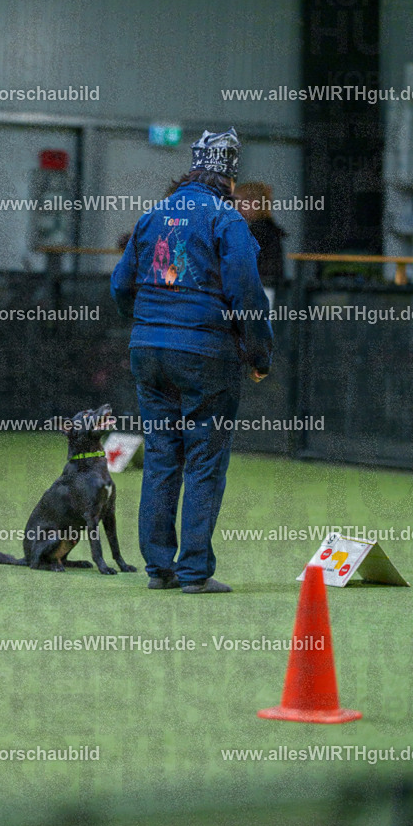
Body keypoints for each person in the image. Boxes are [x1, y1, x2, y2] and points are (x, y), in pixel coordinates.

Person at [110, 127, 273, 593]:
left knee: (162, 455)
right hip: (205, 353)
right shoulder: (227, 219)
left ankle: (159, 567)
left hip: (149, 351)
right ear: (229, 178)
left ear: (193, 168)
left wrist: (144, 325)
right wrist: (259, 353)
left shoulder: (152, 215)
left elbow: (121, 285)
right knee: (204, 459)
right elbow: (246, 292)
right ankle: (195, 571)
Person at [234, 181, 286, 304]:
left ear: (254, 203)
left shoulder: (258, 231)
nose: (236, 207)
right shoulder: (268, 228)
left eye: (240, 203)